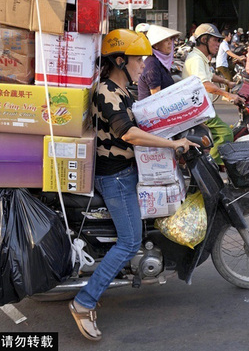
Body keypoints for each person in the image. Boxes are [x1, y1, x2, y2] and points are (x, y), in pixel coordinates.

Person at [68, 29, 196, 341]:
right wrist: (171, 144)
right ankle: (83, 302)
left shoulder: (124, 90)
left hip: (127, 170)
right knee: (128, 242)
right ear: (121, 60)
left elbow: (145, 118)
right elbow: (129, 134)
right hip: (115, 177)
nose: (143, 65)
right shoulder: (107, 92)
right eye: (139, 60)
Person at [183, 23, 244, 164]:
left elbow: (209, 76)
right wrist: (229, 95)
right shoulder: (196, 59)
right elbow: (205, 84)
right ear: (204, 40)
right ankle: (211, 168)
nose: (218, 44)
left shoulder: (201, 58)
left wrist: (227, 83)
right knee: (225, 133)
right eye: (215, 40)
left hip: (203, 107)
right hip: (198, 110)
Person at [137, 25, 181, 100]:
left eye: (170, 39)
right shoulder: (152, 64)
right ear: (156, 45)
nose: (170, 43)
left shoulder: (161, 62)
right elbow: (157, 97)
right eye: (166, 40)